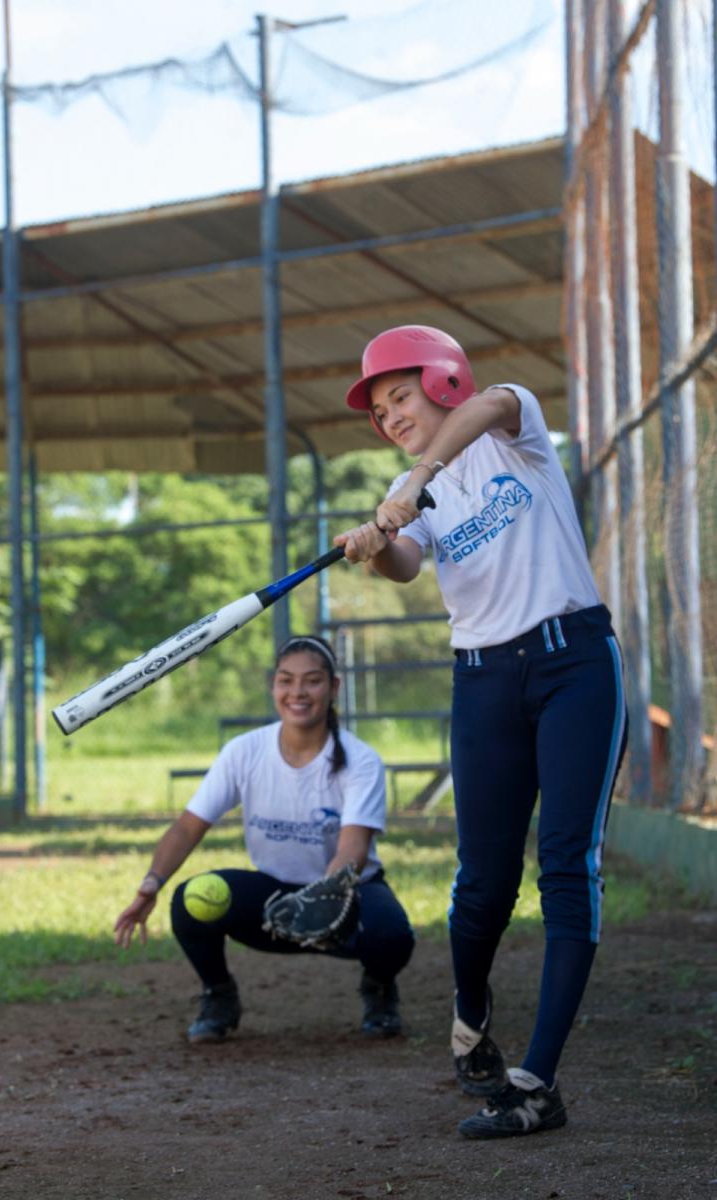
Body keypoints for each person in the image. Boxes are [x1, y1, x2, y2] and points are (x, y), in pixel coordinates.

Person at [334, 325, 627, 1139]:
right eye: (380, 408)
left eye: (401, 395)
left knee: (567, 864)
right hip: (481, 681)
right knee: (483, 882)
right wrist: (377, 541)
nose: (390, 415)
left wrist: (417, 480)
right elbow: (406, 564)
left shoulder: (511, 427)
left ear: (442, 381)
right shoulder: (407, 486)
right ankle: (470, 1020)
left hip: (573, 666)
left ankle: (535, 1083)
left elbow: (496, 402)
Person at [114, 634, 415, 1043]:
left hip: (345, 894)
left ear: (333, 688)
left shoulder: (361, 760)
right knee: (192, 899)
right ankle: (218, 996)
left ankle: (378, 989)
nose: (298, 692)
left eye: (312, 681)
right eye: (286, 681)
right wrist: (150, 885)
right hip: (274, 901)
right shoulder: (245, 751)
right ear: (273, 686)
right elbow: (188, 826)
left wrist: (323, 898)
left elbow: (353, 847)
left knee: (392, 936)